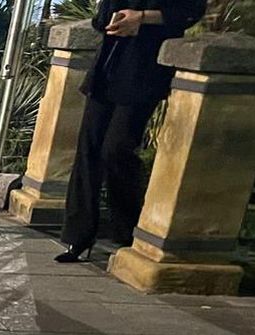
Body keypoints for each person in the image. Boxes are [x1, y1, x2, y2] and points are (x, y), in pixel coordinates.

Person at [55, 0, 207, 263]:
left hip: (144, 71)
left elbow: (188, 12)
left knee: (116, 149)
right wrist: (111, 21)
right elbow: (100, 19)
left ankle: (127, 229)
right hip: (107, 69)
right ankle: (77, 237)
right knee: (88, 151)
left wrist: (142, 18)